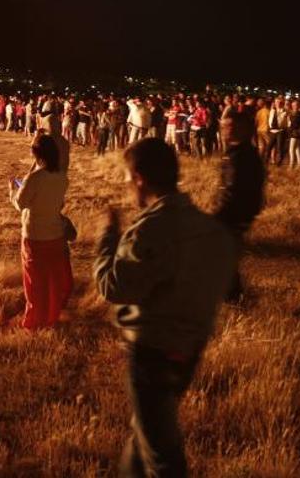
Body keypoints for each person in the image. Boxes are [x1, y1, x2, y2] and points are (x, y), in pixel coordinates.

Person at [94, 139, 235, 478]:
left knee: (161, 455)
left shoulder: (150, 229)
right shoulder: (207, 227)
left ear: (139, 177)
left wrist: (107, 237)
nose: (128, 186)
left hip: (153, 348)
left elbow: (113, 287)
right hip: (191, 344)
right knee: (147, 430)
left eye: (128, 177)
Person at [9, 134, 71, 329]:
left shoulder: (34, 178)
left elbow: (20, 203)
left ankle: (34, 321)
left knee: (35, 282)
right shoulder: (61, 177)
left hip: (35, 236)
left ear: (36, 154)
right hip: (56, 235)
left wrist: (12, 189)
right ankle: (52, 316)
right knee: (52, 280)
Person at [212, 110, 266, 304]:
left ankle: (234, 302)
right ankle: (235, 301)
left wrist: (216, 218)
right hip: (232, 217)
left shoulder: (242, 157)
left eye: (232, 127)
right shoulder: (236, 153)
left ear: (244, 130)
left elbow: (234, 193)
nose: (227, 130)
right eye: (224, 126)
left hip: (232, 218)